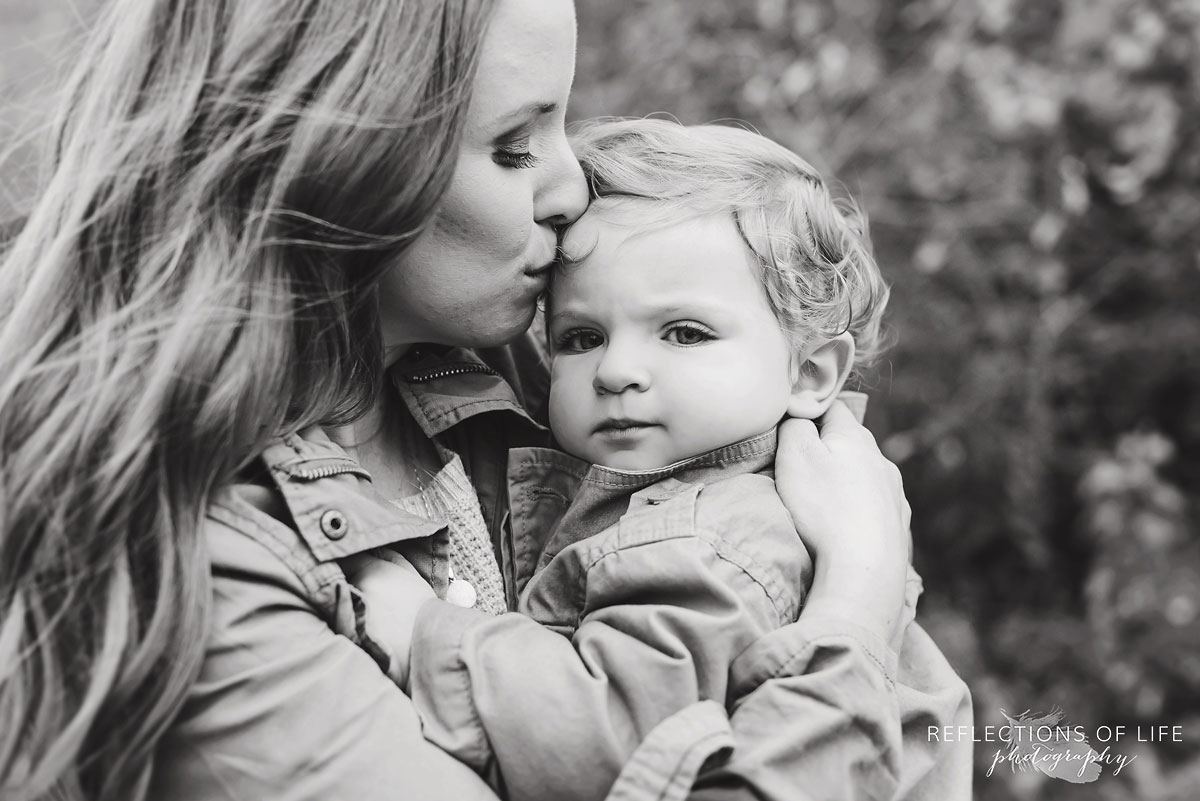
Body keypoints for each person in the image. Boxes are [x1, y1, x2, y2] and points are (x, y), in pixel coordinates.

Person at [0, 2, 914, 801]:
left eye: (562, 124)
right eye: (515, 147)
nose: (571, 191)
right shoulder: (201, 559)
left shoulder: (516, 364)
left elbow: (927, 741)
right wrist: (854, 613)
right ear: (340, 159)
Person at [362, 118, 971, 801]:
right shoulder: (670, 496)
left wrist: (428, 637)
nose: (617, 370)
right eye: (582, 336)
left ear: (809, 372)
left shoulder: (715, 541)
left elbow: (603, 735)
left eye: (684, 332)